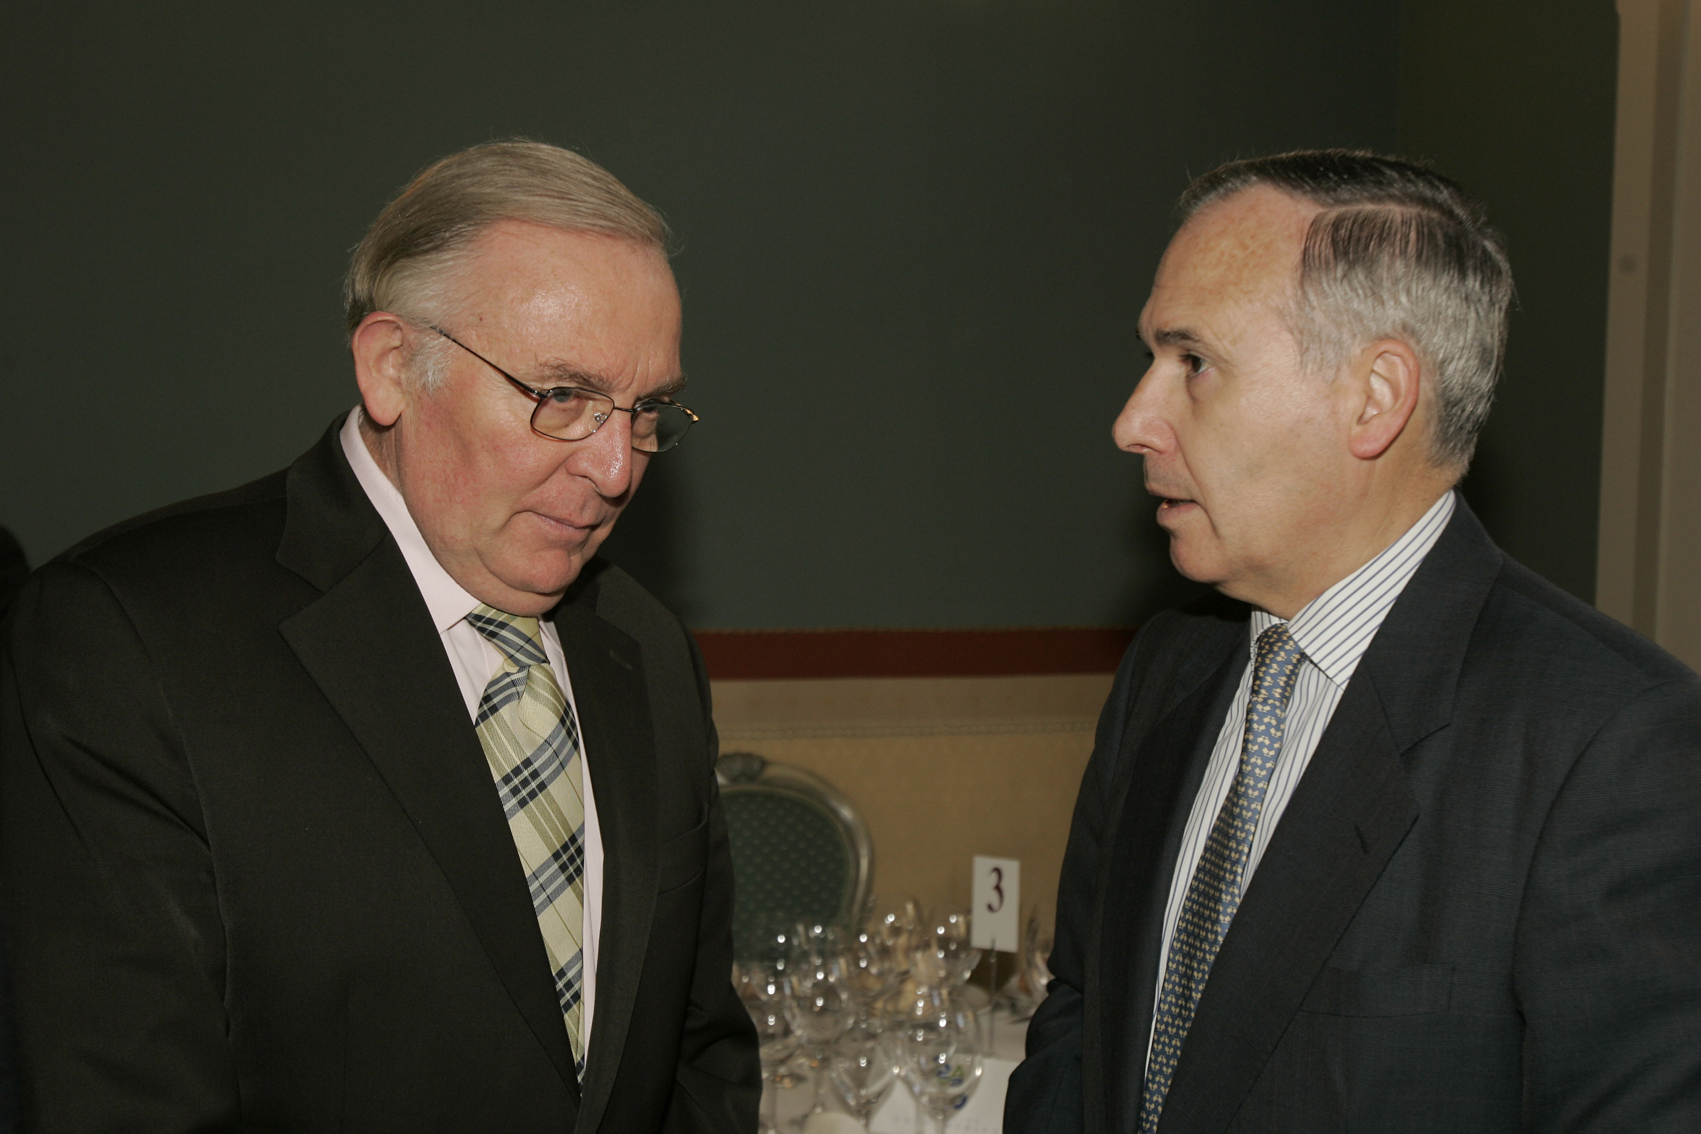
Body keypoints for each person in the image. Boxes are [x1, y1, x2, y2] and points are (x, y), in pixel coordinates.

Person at [0, 141, 759, 1132]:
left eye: (646, 409)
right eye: (562, 397)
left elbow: (699, 1063)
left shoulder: (645, 646)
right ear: (393, 367)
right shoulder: (124, 638)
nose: (616, 468)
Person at [1004, 150, 1701, 1132]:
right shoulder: (1170, 667)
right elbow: (1080, 1017)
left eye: (1192, 362)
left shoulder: (1608, 747)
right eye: (1150, 357)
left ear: (1374, 397)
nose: (1131, 421)